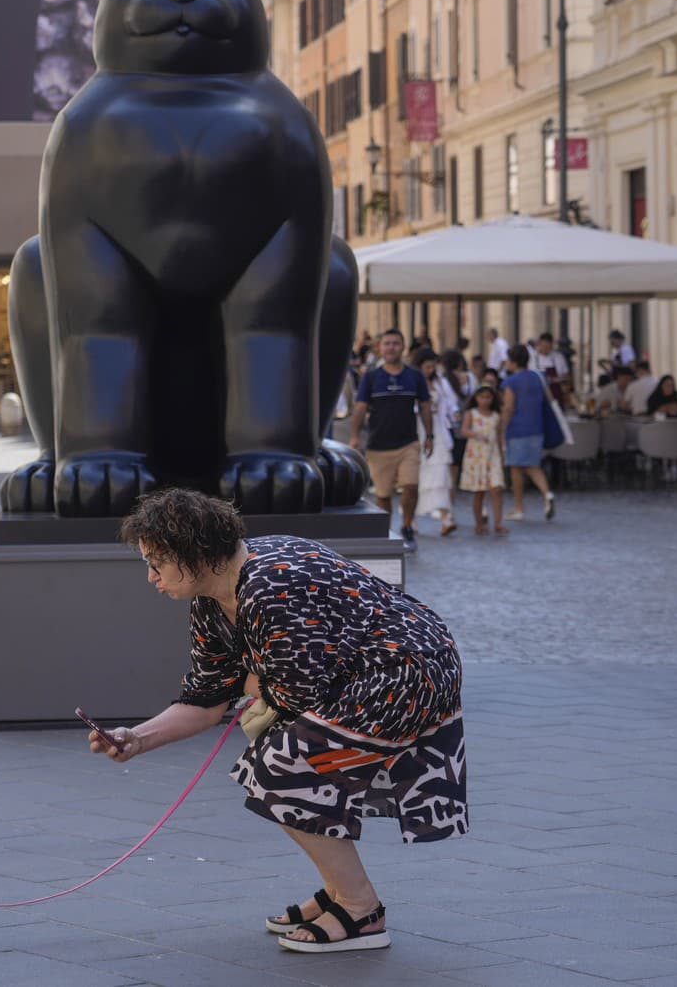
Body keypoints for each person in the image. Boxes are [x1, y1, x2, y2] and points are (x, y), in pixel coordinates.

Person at [94, 490, 468, 954]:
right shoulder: (212, 599)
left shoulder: (273, 585)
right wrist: (137, 738)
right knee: (279, 762)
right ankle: (339, 892)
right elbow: (208, 696)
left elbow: (297, 692)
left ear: (197, 556)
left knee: (282, 767)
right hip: (374, 670)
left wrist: (251, 683)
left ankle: (360, 909)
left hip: (409, 670)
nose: (150, 576)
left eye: (157, 562)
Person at [350, 329, 434, 552]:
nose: (391, 348)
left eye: (396, 343)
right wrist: (354, 436)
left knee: (411, 486)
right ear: (380, 347)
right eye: (387, 343)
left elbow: (425, 406)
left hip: (409, 443)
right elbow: (360, 408)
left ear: (403, 346)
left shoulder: (415, 376)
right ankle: (386, 532)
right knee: (383, 495)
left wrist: (430, 436)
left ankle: (407, 525)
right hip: (378, 446)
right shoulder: (371, 377)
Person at [500, 344, 556, 521]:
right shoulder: (539, 377)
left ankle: (519, 507)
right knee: (533, 466)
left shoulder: (510, 382)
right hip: (536, 427)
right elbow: (550, 399)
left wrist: (502, 428)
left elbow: (508, 407)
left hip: (517, 429)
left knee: (516, 469)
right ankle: (547, 494)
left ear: (513, 362)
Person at [412, 347, 458, 536]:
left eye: (433, 367)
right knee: (416, 474)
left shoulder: (440, 382)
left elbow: (450, 401)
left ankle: (446, 517)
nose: (430, 370)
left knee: (441, 473)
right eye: (427, 367)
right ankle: (411, 519)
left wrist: (454, 413)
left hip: (437, 430)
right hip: (417, 429)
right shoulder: (412, 381)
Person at [459, 385, 506, 536]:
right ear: (476, 398)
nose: (485, 400)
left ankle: (498, 523)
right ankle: (479, 523)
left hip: (493, 455)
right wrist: (476, 434)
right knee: (479, 492)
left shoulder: (496, 416)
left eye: (488, 397)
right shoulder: (471, 413)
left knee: (497, 489)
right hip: (476, 456)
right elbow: (464, 430)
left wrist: (502, 453)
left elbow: (499, 435)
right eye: (482, 397)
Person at [442, 349, 475, 498]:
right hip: (470, 424)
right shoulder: (470, 378)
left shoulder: (443, 380)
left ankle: (450, 501)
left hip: (451, 426)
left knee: (452, 469)